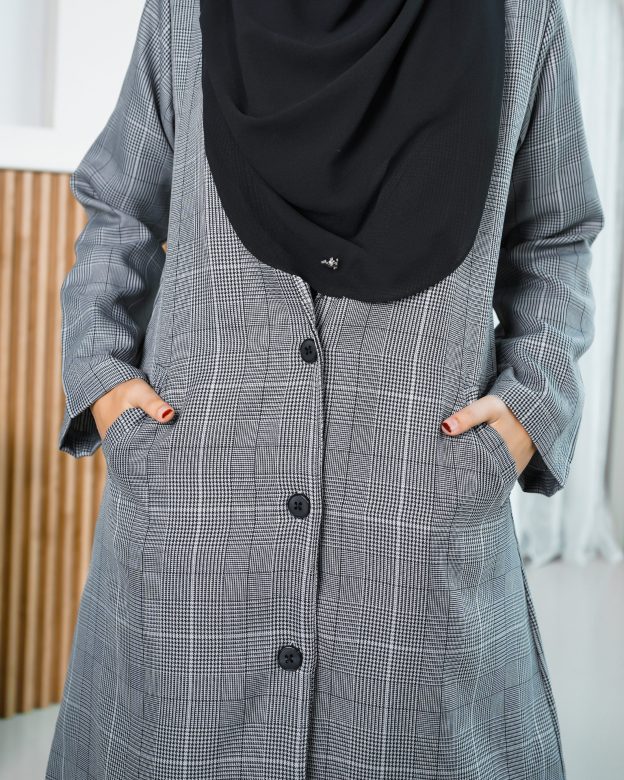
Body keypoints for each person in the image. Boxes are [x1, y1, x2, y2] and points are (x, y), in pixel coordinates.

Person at [47, 0, 604, 778]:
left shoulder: (519, 18)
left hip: (413, 523)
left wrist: (528, 409)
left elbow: (554, 233)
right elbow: (118, 207)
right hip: (197, 517)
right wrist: (103, 380)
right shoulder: (188, 10)